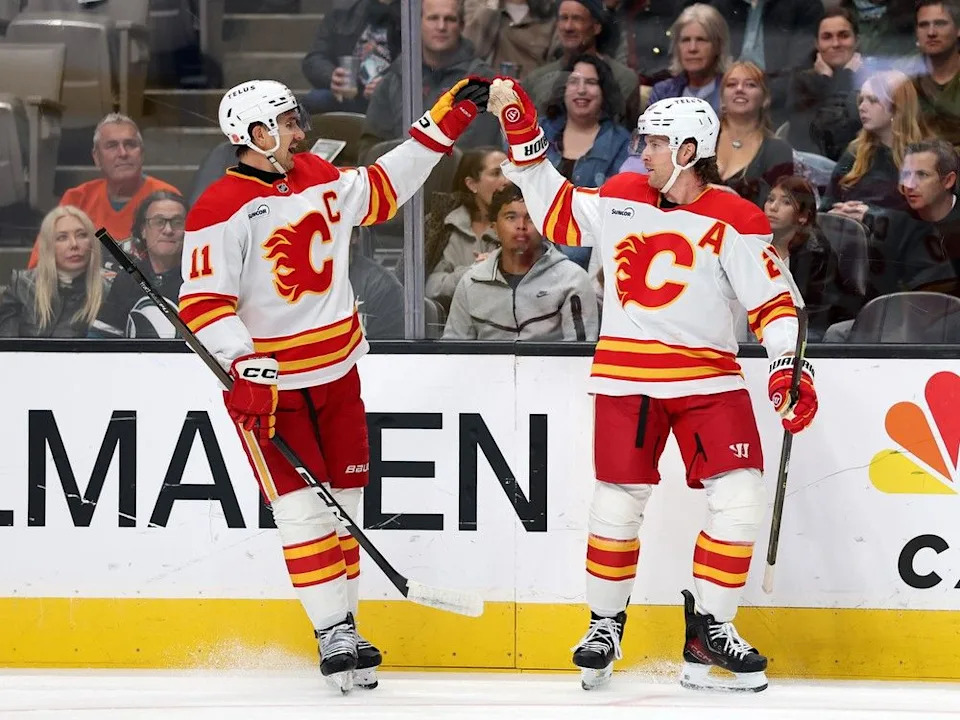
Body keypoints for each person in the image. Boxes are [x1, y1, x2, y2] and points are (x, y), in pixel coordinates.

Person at [486, 82, 818, 692]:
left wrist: (785, 367)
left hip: (709, 379)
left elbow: (775, 305)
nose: (645, 153)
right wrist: (521, 134)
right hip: (627, 377)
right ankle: (604, 624)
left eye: (658, 143)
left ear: (691, 150)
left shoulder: (737, 217)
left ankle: (710, 628)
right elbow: (558, 212)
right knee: (617, 503)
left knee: (741, 500)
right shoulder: (620, 193)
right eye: (645, 141)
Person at [178, 77, 490, 692]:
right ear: (256, 134)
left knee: (344, 504)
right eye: (289, 123)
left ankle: (344, 622)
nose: (301, 131)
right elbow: (202, 302)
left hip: (339, 376)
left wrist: (441, 125)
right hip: (272, 389)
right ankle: (333, 632)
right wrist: (242, 365)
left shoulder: (319, 176)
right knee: (300, 513)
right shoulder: (219, 207)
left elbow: (382, 188)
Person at [442, 183, 599, 340]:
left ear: (545, 227)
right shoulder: (470, 283)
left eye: (531, 218)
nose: (521, 226)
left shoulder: (573, 279)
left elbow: (580, 356)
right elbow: (451, 356)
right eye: (511, 217)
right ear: (494, 227)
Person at [26, 113, 180, 269]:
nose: (123, 153)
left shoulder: (166, 199)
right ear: (97, 157)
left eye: (130, 144)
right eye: (112, 146)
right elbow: (40, 265)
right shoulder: (77, 200)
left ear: (142, 153)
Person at [90, 191, 188, 338]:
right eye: (159, 221)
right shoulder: (127, 279)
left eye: (177, 222)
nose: (168, 230)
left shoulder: (200, 279)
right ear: (143, 230)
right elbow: (100, 339)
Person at [0, 206, 108, 338]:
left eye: (82, 235)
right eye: (62, 238)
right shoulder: (21, 285)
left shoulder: (107, 291)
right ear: (48, 245)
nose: (74, 244)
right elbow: (7, 348)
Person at [425, 147, 510, 308]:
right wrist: (471, 273)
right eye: (496, 173)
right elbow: (431, 287)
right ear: (471, 184)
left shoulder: (523, 223)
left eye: (508, 171)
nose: (506, 180)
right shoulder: (446, 226)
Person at [763, 176, 839, 337]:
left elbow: (812, 312)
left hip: (804, 328)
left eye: (786, 202)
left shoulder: (816, 252)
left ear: (803, 215)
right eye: (770, 200)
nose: (773, 207)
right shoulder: (754, 242)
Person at [541, 54, 631, 187]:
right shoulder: (539, 130)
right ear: (563, 89)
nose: (581, 90)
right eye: (573, 81)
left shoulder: (622, 142)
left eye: (591, 82)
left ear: (604, 91)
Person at [716, 61, 795, 207]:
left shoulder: (777, 150)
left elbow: (778, 209)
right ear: (721, 98)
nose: (739, 89)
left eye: (750, 85)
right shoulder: (700, 140)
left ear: (765, 99)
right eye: (731, 84)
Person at [647, 3, 730, 115]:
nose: (692, 48)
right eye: (685, 40)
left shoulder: (733, 92)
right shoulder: (662, 93)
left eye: (701, 40)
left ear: (718, 45)